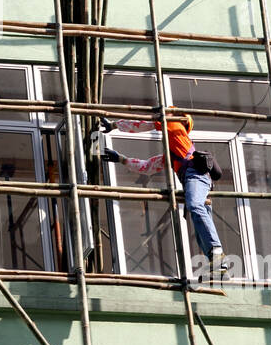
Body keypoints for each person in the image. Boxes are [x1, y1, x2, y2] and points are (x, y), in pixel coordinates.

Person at [98, 114, 232, 277]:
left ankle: (217, 257)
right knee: (199, 227)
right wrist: (121, 159)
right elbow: (147, 167)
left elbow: (143, 124)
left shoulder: (174, 126)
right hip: (194, 180)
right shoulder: (174, 150)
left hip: (196, 177)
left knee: (195, 207)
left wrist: (115, 125)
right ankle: (216, 264)